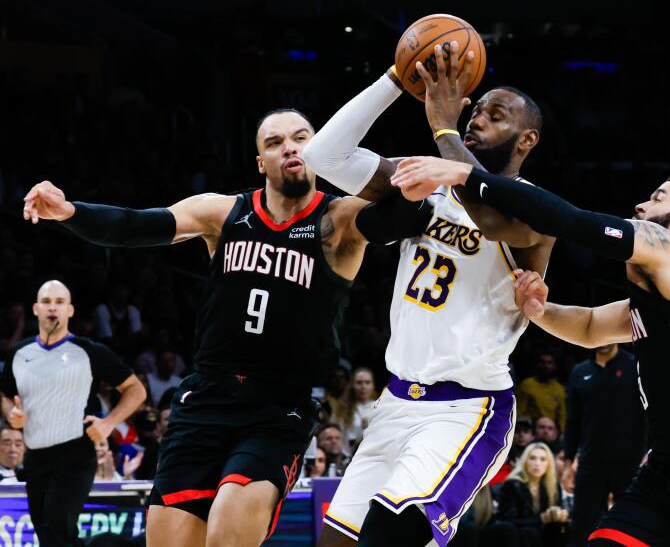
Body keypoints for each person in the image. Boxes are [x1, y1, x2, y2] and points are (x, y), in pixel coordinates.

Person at [21, 109, 423, 547]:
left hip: (278, 406)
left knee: (229, 529)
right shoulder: (223, 213)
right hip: (206, 398)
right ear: (260, 162)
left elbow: (407, 213)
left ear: (320, 152)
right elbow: (134, 226)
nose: (290, 147)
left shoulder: (339, 221)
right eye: (274, 142)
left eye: (302, 138)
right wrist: (68, 211)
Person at [391, 158, 670, 545]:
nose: (641, 204)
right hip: (668, 472)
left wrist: (464, 173)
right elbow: (588, 327)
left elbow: (572, 222)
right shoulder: (662, 298)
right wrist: (539, 310)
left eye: (658, 197)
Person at [302, 42, 555, 547]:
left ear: (526, 140)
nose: (477, 118)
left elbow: (487, 213)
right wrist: (397, 78)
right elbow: (322, 155)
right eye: (476, 110)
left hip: (466, 411)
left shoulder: (536, 208)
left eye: (496, 115)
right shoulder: (425, 181)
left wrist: (442, 127)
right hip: (396, 402)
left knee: (385, 538)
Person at [1, 280, 146, 546]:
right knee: (48, 534)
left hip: (76, 456)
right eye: (46, 302)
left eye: (59, 302)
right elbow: (4, 395)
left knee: (57, 525)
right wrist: (12, 414)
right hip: (36, 457)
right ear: (35, 309)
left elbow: (136, 390)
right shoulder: (19, 353)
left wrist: (108, 423)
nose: (52, 308)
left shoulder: (89, 351)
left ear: (70, 310)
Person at [563, 343, 646, 546]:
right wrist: (567, 462)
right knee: (582, 525)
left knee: (633, 523)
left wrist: (650, 451)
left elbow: (651, 412)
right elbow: (573, 421)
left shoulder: (635, 364)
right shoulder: (580, 371)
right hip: (591, 460)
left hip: (630, 460)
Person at [497, 442, 569, 547]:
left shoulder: (553, 487)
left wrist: (560, 515)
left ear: (549, 464)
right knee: (531, 532)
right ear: (525, 461)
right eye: (532, 458)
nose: (537, 463)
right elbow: (508, 520)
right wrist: (541, 519)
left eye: (543, 459)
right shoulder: (512, 485)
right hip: (519, 534)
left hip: (544, 534)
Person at [517, 353, 566, 432]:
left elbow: (561, 415)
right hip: (530, 430)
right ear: (537, 364)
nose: (545, 365)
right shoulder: (527, 384)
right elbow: (518, 411)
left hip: (550, 430)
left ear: (554, 366)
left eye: (549, 363)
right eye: (542, 362)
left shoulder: (559, 389)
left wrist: (561, 432)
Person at [331, 367, 377, 451]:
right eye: (359, 383)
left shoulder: (380, 406)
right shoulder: (342, 409)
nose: (363, 386)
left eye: (367, 382)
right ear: (352, 385)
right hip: (347, 456)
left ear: (373, 385)